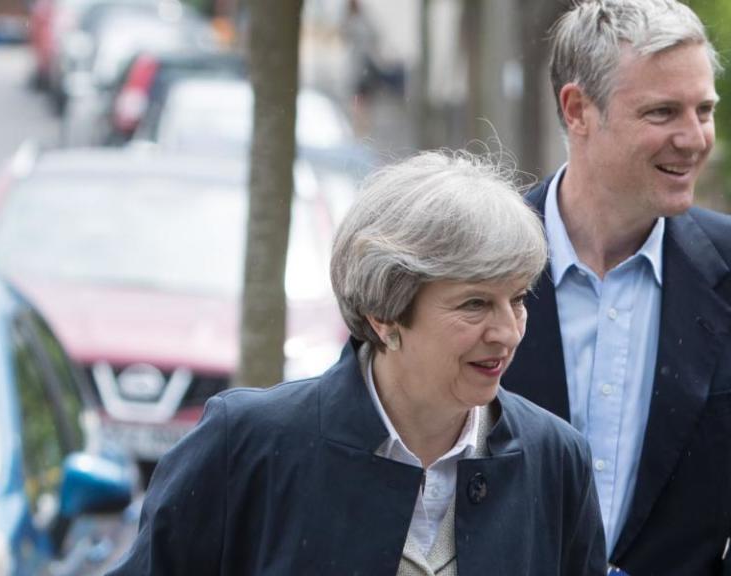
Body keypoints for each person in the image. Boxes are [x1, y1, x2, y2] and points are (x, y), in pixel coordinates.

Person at [107, 151, 607, 575]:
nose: (507, 331)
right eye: (474, 304)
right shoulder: (246, 445)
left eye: (516, 299)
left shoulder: (556, 460)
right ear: (384, 314)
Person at [502, 0, 731, 573]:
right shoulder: (469, 263)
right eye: (662, 113)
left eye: (704, 110)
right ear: (578, 109)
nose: (694, 139)